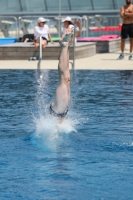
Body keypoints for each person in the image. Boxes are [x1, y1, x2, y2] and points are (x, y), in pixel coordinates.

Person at [50, 17, 75, 121]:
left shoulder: (52, 131)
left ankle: (65, 46)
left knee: (63, 79)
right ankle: (66, 46)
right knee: (66, 78)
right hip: (60, 111)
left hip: (57, 110)